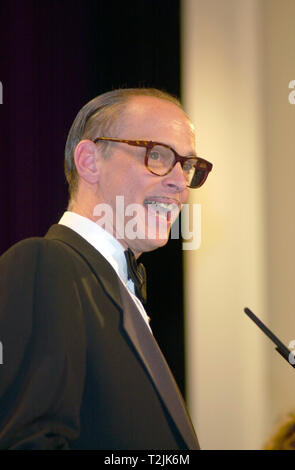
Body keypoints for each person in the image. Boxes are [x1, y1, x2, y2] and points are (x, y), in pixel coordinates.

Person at [0, 88, 213, 450]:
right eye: (157, 155)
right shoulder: (45, 265)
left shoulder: (116, 292)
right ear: (89, 161)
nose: (180, 183)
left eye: (188, 165)